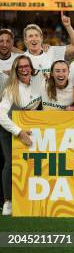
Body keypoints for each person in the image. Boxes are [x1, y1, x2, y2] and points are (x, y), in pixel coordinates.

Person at [0, 55, 40, 216]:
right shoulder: (11, 89)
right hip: (9, 130)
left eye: (26, 66)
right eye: (20, 67)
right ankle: (8, 201)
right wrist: (18, 132)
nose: (24, 69)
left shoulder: (39, 84)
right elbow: (1, 115)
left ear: (31, 68)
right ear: (15, 71)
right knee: (10, 163)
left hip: (29, 130)